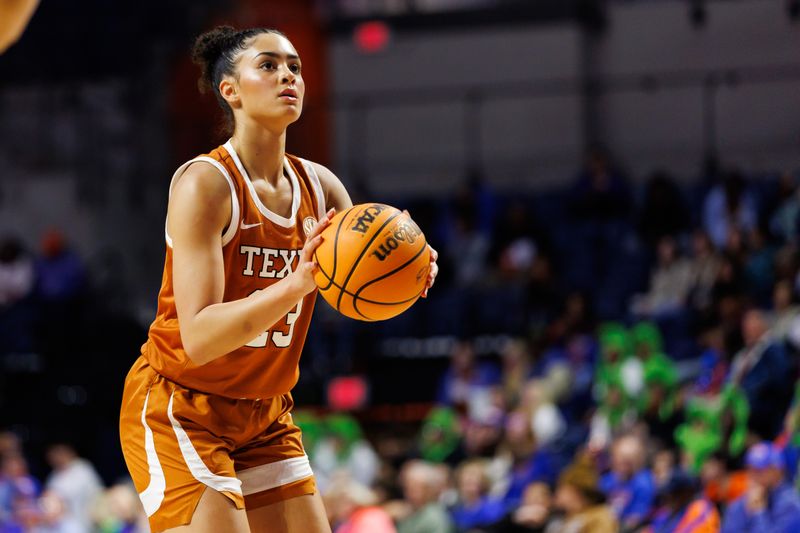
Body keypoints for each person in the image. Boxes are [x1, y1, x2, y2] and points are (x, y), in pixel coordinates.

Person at [118, 26, 438, 533]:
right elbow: (199, 337)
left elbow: (350, 288)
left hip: (264, 413)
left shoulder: (322, 186)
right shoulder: (206, 183)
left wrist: (407, 268)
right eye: (268, 65)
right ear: (231, 90)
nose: (287, 75)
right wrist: (295, 283)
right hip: (182, 406)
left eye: (295, 66)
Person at [722, 442, 800, 533]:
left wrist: (758, 512)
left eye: (759, 470)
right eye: (750, 469)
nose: (752, 475)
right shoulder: (744, 500)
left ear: (777, 471)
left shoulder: (790, 504)